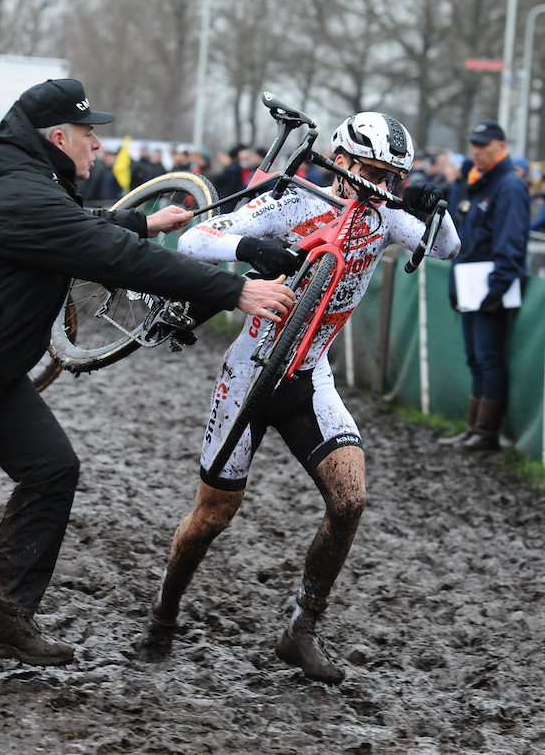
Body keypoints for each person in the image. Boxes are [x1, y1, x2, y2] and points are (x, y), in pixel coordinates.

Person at [0, 78, 294, 667]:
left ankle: (6, 622)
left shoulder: (22, 180)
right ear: (59, 137)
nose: (99, 148)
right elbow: (103, 252)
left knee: (52, 470)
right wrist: (234, 289)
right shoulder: (25, 194)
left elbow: (80, 227)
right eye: (91, 136)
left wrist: (143, 224)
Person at [140, 112, 460, 685]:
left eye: (392, 178)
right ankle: (164, 613)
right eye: (370, 172)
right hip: (249, 375)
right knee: (213, 516)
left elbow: (447, 248)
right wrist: (248, 249)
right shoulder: (296, 201)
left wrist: (437, 209)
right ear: (340, 161)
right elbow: (192, 238)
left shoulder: (385, 217)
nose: (381, 187)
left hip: (309, 377)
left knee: (350, 502)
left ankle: (301, 630)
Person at [446, 119, 530, 451]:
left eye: (483, 145)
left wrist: (494, 290)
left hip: (489, 289)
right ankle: (474, 427)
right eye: (474, 144)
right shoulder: (479, 183)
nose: (476, 151)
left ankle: (486, 431)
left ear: (501, 146)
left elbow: (510, 243)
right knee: (476, 358)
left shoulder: (509, 186)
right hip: (472, 287)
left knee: (489, 358)